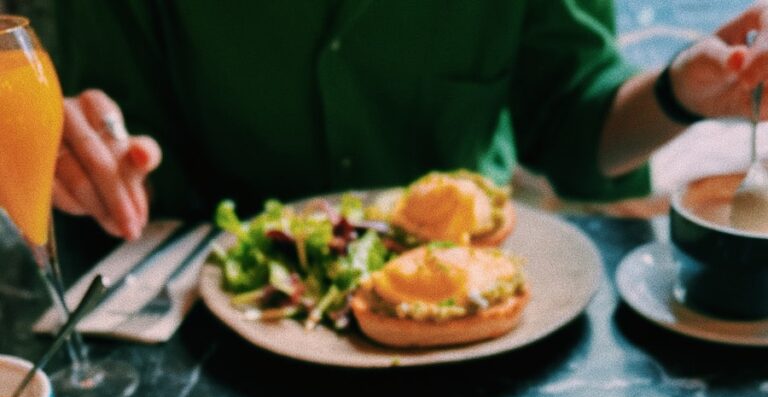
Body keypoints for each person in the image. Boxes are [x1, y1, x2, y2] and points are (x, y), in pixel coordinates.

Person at [52, 1, 768, 241]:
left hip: (479, 313)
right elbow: (78, 113)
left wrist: (680, 94)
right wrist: (64, 145)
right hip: (218, 318)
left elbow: (573, 129)